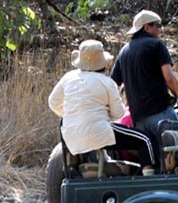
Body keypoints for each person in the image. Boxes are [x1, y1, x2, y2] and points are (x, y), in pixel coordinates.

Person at [49, 40, 155, 169]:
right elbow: (118, 114)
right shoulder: (107, 82)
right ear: (103, 63)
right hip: (99, 132)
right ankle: (149, 177)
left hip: (71, 135)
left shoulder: (68, 77)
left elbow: (53, 102)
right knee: (144, 140)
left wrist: (71, 114)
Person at [110, 10, 178, 149]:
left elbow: (113, 84)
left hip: (138, 121)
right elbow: (169, 78)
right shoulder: (157, 45)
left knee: (155, 163)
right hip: (162, 115)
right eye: (158, 25)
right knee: (176, 158)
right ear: (147, 27)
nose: (161, 30)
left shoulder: (124, 51)